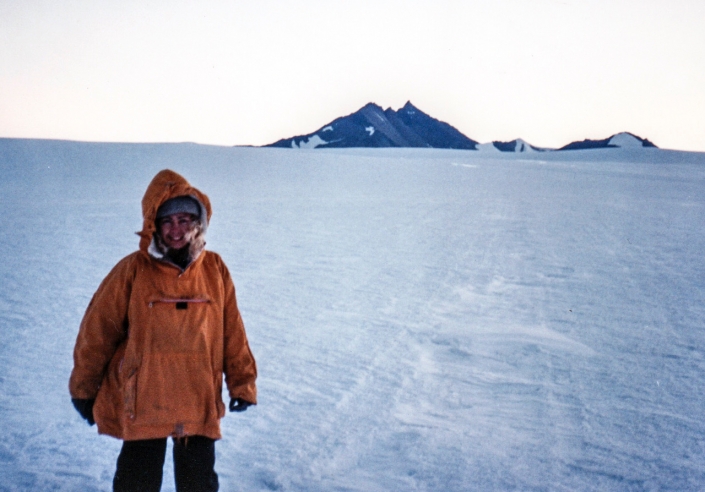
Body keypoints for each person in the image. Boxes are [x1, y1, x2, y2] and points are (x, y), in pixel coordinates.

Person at [69, 169, 257, 492]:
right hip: (145, 401)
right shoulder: (133, 270)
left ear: (198, 222)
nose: (176, 230)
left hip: (198, 397)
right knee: (136, 483)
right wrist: (83, 389)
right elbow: (97, 333)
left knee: (198, 483)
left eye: (185, 220)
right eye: (167, 221)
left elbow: (232, 332)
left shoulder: (214, 269)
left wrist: (242, 383)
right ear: (153, 224)